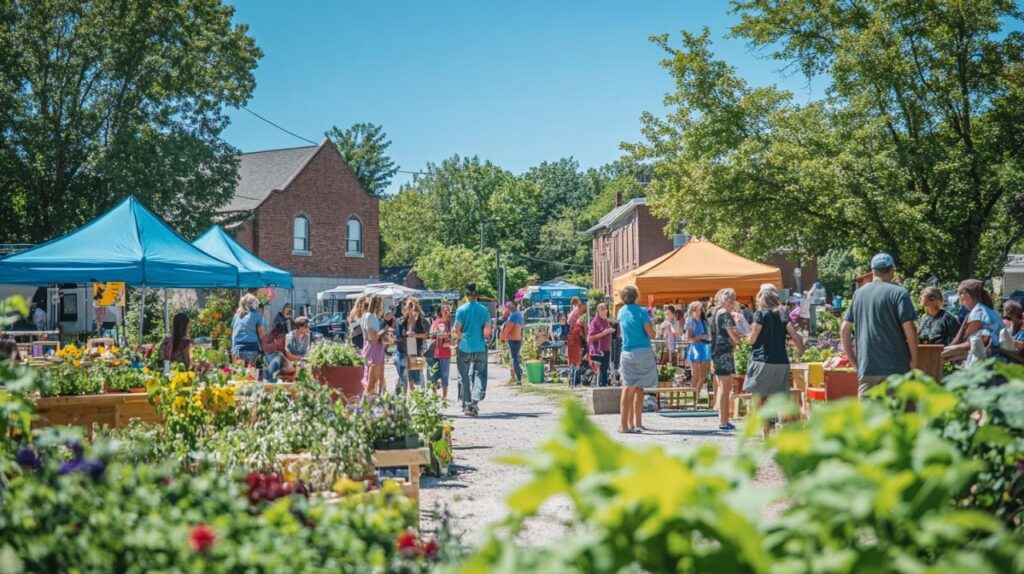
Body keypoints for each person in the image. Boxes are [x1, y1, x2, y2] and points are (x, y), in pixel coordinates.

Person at [840, 253, 918, 398]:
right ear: (892, 270)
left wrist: (855, 363)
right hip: (895, 368)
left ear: (872, 271)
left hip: (868, 367)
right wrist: (914, 360)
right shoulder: (899, 293)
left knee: (870, 418)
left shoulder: (858, 294)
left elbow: (844, 329)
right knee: (894, 417)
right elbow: (910, 328)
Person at [744, 284, 805, 439]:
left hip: (762, 361)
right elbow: (797, 338)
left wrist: (746, 335)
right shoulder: (783, 315)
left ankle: (766, 433)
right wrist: (799, 354)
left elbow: (752, 340)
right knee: (779, 399)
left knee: (759, 398)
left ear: (761, 298)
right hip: (781, 362)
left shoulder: (760, 315)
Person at [617, 285, 657, 433]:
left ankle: (625, 425)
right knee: (639, 388)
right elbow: (651, 334)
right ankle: (637, 423)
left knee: (628, 387)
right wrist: (655, 330)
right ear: (636, 296)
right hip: (643, 352)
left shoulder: (620, 312)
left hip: (627, 352)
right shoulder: (642, 312)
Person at [943, 279, 1003, 366]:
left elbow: (975, 342)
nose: (958, 296)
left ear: (967, 294)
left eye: (959, 293)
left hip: (990, 363)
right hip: (994, 358)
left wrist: (948, 350)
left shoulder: (978, 311)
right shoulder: (982, 309)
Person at [454, 284, 492, 416]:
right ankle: (475, 402)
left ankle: (466, 403)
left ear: (466, 296)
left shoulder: (461, 310)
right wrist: (483, 337)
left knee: (463, 375)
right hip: (480, 346)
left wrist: (461, 337)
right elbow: (487, 331)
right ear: (477, 295)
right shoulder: (484, 310)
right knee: (480, 374)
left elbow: (457, 330)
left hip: (465, 346)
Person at [711, 288, 744, 431]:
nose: (732, 302)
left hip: (717, 351)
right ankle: (724, 421)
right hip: (724, 352)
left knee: (721, 387)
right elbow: (732, 333)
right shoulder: (726, 314)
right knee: (726, 387)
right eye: (730, 299)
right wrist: (741, 341)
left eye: (733, 299)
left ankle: (722, 419)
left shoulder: (717, 313)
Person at [396, 297, 431, 392]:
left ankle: (421, 395)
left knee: (419, 374)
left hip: (418, 348)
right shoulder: (404, 320)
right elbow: (401, 335)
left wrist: (414, 335)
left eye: (405, 306)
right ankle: (412, 386)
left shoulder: (421, 320)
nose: (403, 308)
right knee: (409, 373)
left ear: (411, 307)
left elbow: (427, 335)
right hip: (408, 347)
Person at [684, 301, 712, 402]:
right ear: (693, 310)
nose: (702, 309)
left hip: (704, 347)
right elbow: (688, 338)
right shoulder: (690, 321)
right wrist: (700, 337)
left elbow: (708, 334)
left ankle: (696, 395)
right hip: (696, 348)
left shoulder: (704, 320)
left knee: (703, 375)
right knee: (695, 374)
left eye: (701, 308)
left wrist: (708, 337)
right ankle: (693, 397)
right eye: (699, 308)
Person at [359, 295, 387, 395]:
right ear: (378, 305)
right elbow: (372, 336)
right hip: (374, 350)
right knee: (372, 383)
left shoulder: (367, 315)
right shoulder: (370, 316)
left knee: (376, 382)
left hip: (371, 349)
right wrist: (385, 330)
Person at [231, 294, 266, 366]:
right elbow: (262, 336)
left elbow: (233, 334)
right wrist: (264, 351)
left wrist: (233, 351)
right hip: (251, 350)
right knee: (251, 375)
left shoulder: (236, 315)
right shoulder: (257, 315)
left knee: (238, 375)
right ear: (254, 304)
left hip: (237, 350)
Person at [428, 305, 454, 397]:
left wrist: (449, 338)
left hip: (446, 353)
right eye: (444, 309)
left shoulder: (451, 323)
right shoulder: (437, 322)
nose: (446, 311)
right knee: (433, 375)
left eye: (448, 309)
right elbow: (432, 334)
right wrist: (439, 333)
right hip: (436, 352)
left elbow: (454, 338)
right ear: (441, 311)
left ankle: (444, 397)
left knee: (445, 375)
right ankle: (434, 396)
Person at [588, 303, 614, 387]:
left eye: (605, 309)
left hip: (606, 349)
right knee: (603, 370)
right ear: (598, 311)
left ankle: (603, 386)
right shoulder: (595, 322)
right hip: (597, 350)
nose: (604, 311)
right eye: (601, 309)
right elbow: (590, 338)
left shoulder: (606, 321)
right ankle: (600, 386)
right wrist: (604, 333)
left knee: (605, 369)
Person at [500, 302, 525, 383]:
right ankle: (518, 373)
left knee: (514, 359)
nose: (510, 307)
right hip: (518, 339)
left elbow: (508, 329)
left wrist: (502, 338)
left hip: (513, 340)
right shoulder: (519, 315)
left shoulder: (513, 315)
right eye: (508, 306)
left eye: (511, 305)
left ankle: (519, 378)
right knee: (515, 358)